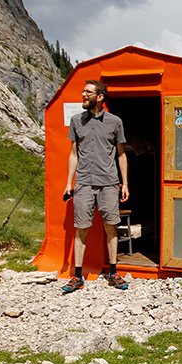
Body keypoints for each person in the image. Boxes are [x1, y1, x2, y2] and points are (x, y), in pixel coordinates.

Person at [62, 80, 129, 292]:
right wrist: (68, 183)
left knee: (111, 226)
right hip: (83, 183)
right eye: (83, 91)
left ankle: (113, 272)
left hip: (109, 183)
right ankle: (78, 276)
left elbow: (121, 154)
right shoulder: (76, 121)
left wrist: (124, 183)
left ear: (100, 97)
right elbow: (73, 154)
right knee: (81, 228)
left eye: (88, 92)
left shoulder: (115, 122)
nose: (83, 94)